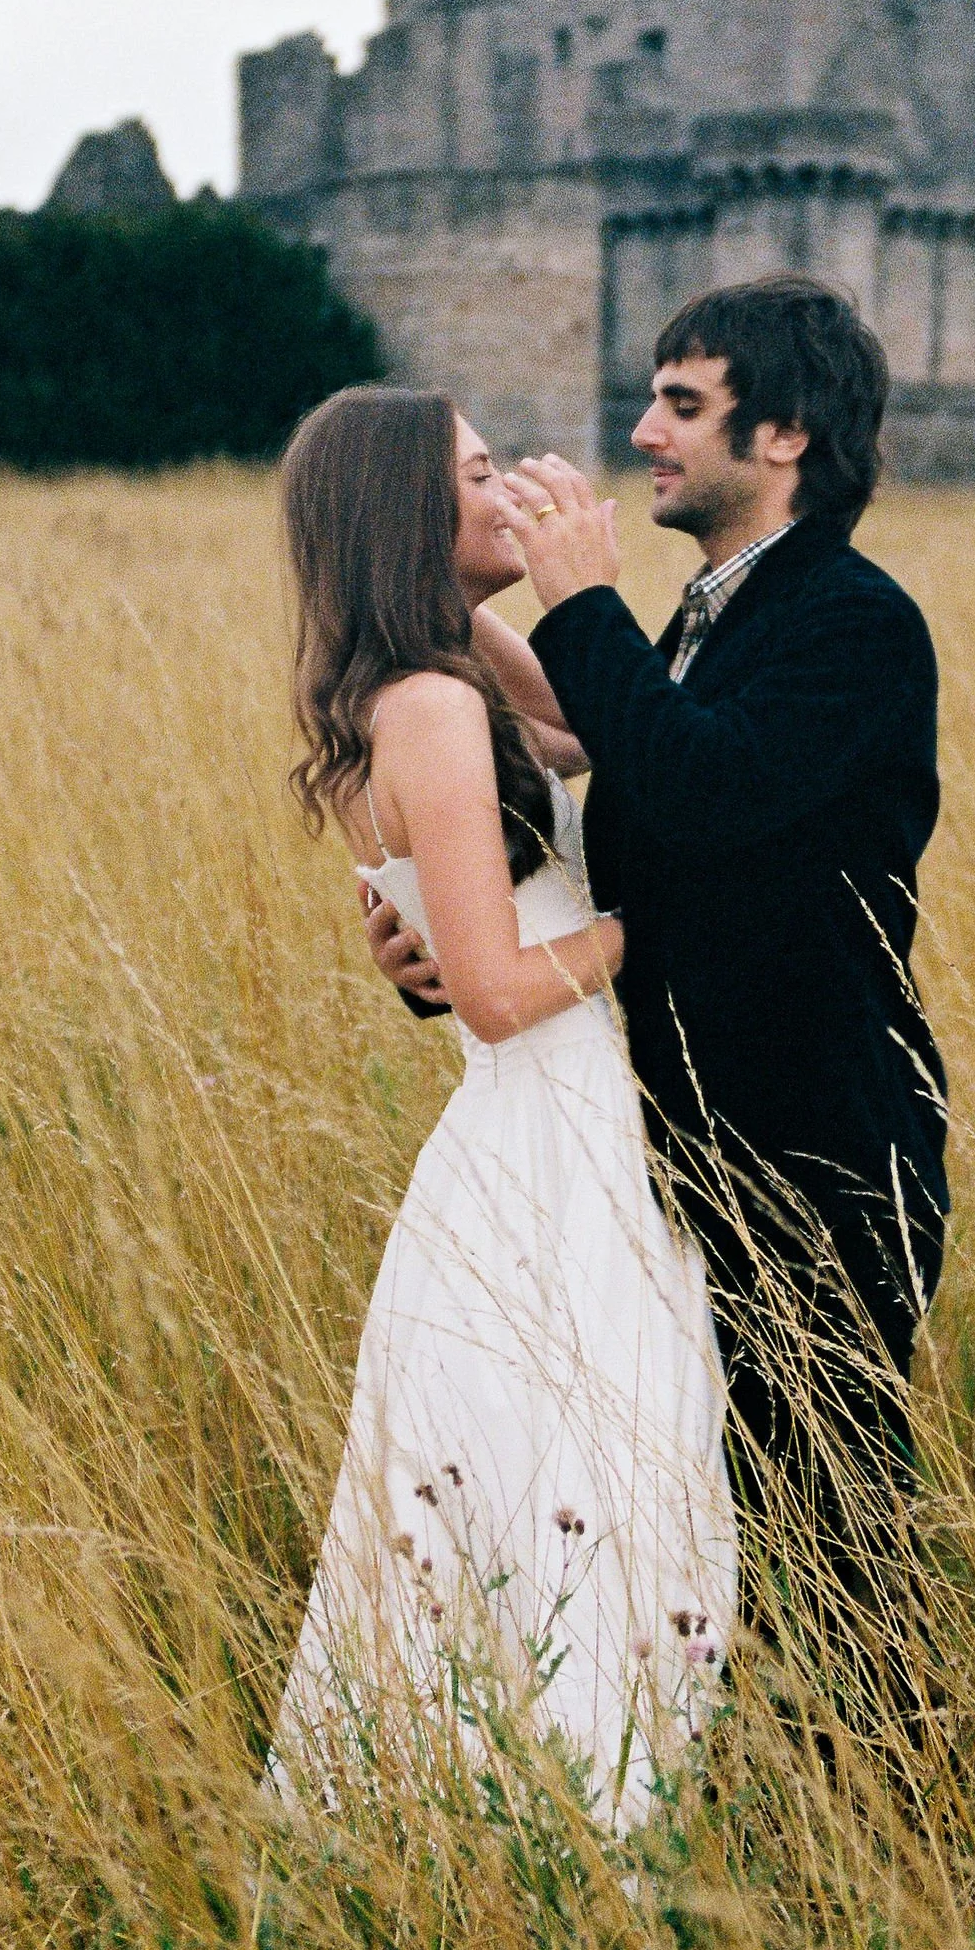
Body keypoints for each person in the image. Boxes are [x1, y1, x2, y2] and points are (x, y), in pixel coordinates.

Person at [369, 276, 947, 1714]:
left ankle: (891, 1843)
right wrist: (436, 933)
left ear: (789, 433)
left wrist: (579, 602)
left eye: (683, 406)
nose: (642, 432)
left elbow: (696, 797)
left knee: (836, 1537)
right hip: (676, 1152)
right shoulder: (706, 618)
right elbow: (600, 799)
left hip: (818, 1149)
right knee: (705, 1530)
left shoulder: (854, 623)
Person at [274, 385, 735, 1828]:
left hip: (570, 1124)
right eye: (479, 474)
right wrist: (663, 918)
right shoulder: (419, 705)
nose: (514, 487)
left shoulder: (448, 670)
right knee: (576, 1494)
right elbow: (488, 985)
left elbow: (598, 737)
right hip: (545, 1137)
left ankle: (571, 1828)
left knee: (606, 1484)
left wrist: (534, 589)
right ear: (414, 509)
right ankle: (568, 1830)